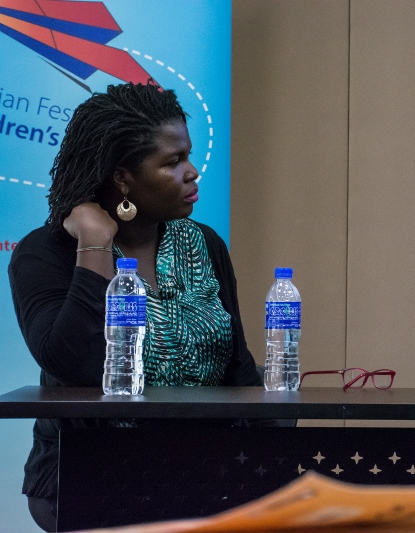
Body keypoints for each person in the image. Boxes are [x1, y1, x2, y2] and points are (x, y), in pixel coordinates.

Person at [8, 82, 263, 531]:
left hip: (207, 472)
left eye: (188, 156)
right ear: (123, 177)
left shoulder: (204, 244)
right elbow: (72, 363)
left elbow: (238, 368)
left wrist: (268, 463)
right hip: (87, 477)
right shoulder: (44, 253)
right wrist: (93, 246)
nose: (193, 172)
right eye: (173, 161)